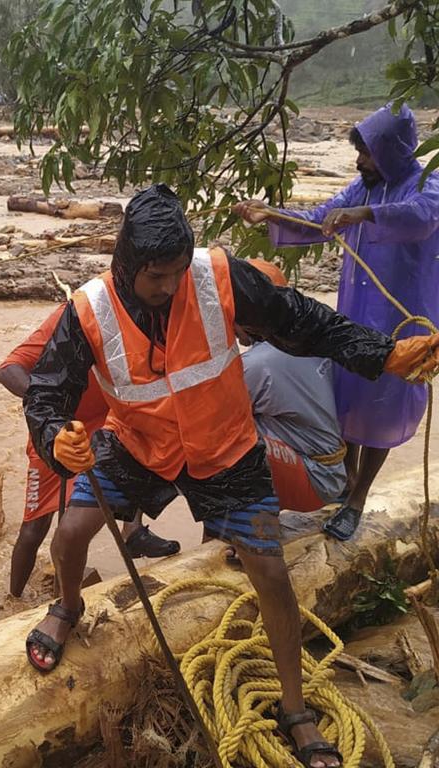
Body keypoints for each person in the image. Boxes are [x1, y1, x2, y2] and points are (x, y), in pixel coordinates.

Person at [23, 185, 438, 767]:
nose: (169, 287)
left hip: (225, 448)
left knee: (270, 571)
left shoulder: (219, 277)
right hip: (138, 444)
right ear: (125, 264)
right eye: (155, 278)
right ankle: (68, 607)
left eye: (174, 274)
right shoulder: (88, 309)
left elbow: (305, 321)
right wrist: (58, 438)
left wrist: (382, 354)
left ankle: (295, 710)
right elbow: (45, 393)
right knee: (70, 535)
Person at [235, 102, 439, 542]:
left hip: (402, 321)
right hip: (354, 313)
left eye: (367, 153)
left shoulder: (428, 182)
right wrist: (270, 213)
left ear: (391, 152)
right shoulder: (362, 187)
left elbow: (421, 217)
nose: (360, 161)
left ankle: (358, 499)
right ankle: (346, 483)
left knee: (384, 409)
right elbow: (320, 218)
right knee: (347, 402)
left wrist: (364, 216)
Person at [0, 307, 180, 597]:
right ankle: (13, 599)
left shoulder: (148, 319)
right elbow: (8, 370)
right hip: (59, 431)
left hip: (105, 426)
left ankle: (131, 531)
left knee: (138, 449)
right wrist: (48, 409)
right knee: (34, 530)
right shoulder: (72, 317)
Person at [240, 259, 346, 514]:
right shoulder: (312, 338)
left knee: (220, 439)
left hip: (313, 478)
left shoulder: (257, 364)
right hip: (333, 470)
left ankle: (247, 532)